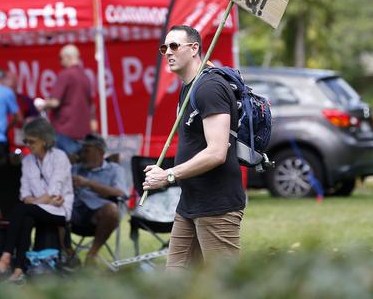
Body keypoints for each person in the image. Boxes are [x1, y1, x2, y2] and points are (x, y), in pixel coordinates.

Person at [143, 25, 245, 269]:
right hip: (190, 203)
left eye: (175, 46)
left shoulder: (209, 87)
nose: (168, 52)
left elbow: (217, 152)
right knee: (176, 284)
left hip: (217, 205)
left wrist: (168, 175)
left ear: (194, 48)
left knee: (224, 285)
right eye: (164, 47)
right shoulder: (189, 87)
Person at [0, 117, 73, 281]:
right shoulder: (27, 161)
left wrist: (37, 200)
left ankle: (5, 257)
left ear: (45, 140)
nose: (27, 144)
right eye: (25, 141)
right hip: (37, 209)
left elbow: (54, 192)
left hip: (60, 211)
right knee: (25, 216)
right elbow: (25, 195)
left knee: (21, 210)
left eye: (31, 141)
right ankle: (19, 270)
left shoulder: (60, 157)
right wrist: (41, 200)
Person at [70, 134, 125, 264]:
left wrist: (88, 183)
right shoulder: (76, 168)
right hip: (73, 211)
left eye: (86, 150)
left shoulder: (114, 170)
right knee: (53, 208)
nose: (82, 154)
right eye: (81, 150)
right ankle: (67, 255)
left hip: (97, 215)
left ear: (100, 151)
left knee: (112, 211)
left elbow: (120, 193)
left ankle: (92, 254)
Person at [35, 45, 94, 159]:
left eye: (61, 58)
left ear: (67, 57)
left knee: (61, 167)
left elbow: (55, 102)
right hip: (82, 131)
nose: (60, 62)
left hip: (64, 129)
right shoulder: (85, 76)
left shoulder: (66, 74)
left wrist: (43, 104)